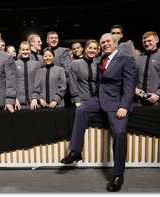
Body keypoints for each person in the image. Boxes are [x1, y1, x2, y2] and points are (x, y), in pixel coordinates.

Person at [60, 33, 137, 192]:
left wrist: (124, 106)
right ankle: (75, 151)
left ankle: (118, 175)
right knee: (80, 110)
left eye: (108, 41)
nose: (105, 44)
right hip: (99, 98)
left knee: (120, 133)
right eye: (103, 42)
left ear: (116, 43)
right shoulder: (102, 59)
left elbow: (130, 85)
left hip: (117, 102)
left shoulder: (126, 59)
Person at [134, 31, 160, 106]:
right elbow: (132, 77)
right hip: (137, 100)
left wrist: (159, 94)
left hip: (155, 100)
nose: (146, 43)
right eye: (144, 42)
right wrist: (135, 89)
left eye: (149, 41)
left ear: (157, 40)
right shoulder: (138, 58)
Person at [68, 39, 99, 107]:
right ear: (85, 49)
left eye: (95, 48)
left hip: (96, 101)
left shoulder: (97, 64)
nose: (92, 50)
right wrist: (76, 100)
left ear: (97, 51)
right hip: (81, 102)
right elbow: (72, 83)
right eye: (90, 48)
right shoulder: (75, 63)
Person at [15, 41, 41, 110]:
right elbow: (12, 83)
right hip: (18, 103)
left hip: (33, 102)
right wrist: (14, 98)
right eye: (23, 50)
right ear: (19, 51)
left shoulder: (36, 64)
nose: (25, 51)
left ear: (30, 51)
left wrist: (35, 97)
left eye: (27, 49)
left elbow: (37, 82)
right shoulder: (14, 64)